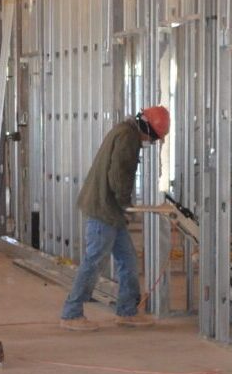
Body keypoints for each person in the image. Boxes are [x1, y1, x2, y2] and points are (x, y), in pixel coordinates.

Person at [60, 106, 170, 331]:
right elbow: (119, 175)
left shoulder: (124, 131)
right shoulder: (128, 138)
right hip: (105, 209)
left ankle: (127, 311)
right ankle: (71, 314)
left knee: (127, 260)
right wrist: (124, 203)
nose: (152, 141)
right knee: (94, 262)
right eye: (154, 137)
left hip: (110, 210)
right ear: (147, 128)